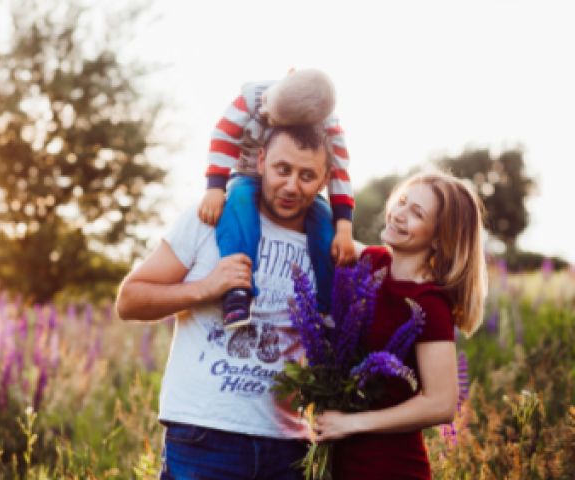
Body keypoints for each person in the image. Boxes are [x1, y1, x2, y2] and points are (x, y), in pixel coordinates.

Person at [116, 124, 336, 480]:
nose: (292, 186)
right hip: (204, 437)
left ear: (325, 179)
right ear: (261, 161)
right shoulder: (208, 219)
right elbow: (129, 300)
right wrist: (205, 287)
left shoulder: (326, 247)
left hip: (289, 445)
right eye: (283, 169)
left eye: (307, 175)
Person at [313, 170, 488, 479]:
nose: (398, 215)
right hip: (345, 461)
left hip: (391, 466)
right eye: (403, 202)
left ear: (438, 237)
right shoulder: (375, 261)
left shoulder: (428, 302)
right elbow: (321, 226)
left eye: (416, 213)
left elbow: (442, 404)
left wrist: (352, 423)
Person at [198, 68, 356, 329]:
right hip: (248, 173)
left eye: (271, 118)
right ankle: (237, 291)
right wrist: (215, 186)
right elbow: (223, 136)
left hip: (297, 182)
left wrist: (345, 228)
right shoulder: (253, 97)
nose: (263, 113)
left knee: (325, 225)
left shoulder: (329, 127)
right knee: (239, 204)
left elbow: (339, 173)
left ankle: (328, 308)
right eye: (268, 107)